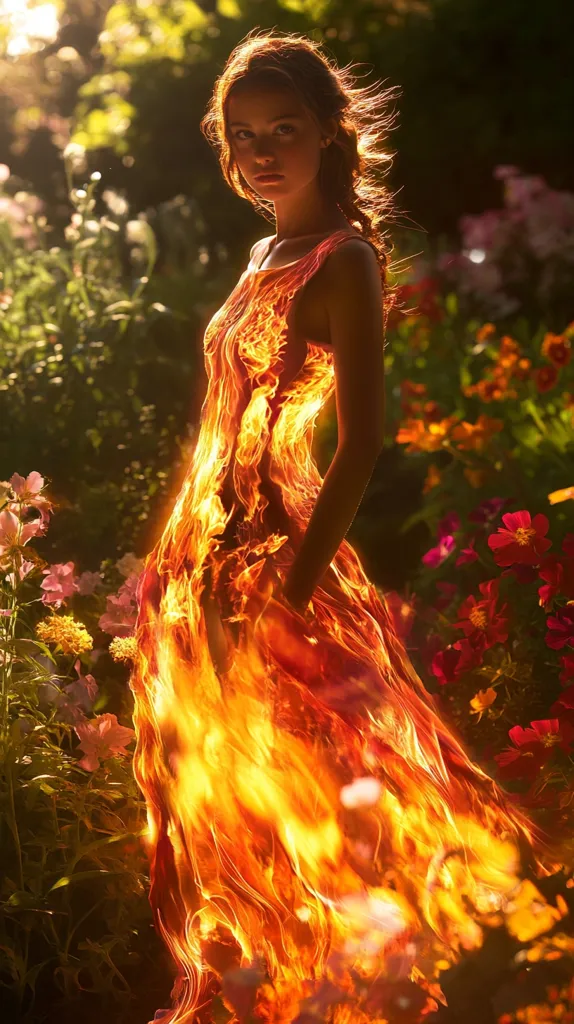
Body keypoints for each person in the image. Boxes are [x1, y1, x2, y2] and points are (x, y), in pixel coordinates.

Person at [131, 30, 557, 1024]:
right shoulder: (262, 249)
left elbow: (364, 441)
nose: (264, 152)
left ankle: (399, 983)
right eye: (244, 137)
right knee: (234, 800)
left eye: (285, 130)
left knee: (330, 785)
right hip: (207, 561)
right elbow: (217, 429)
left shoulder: (344, 259)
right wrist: (175, 566)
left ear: (331, 133)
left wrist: (284, 593)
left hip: (278, 562)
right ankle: (275, 990)